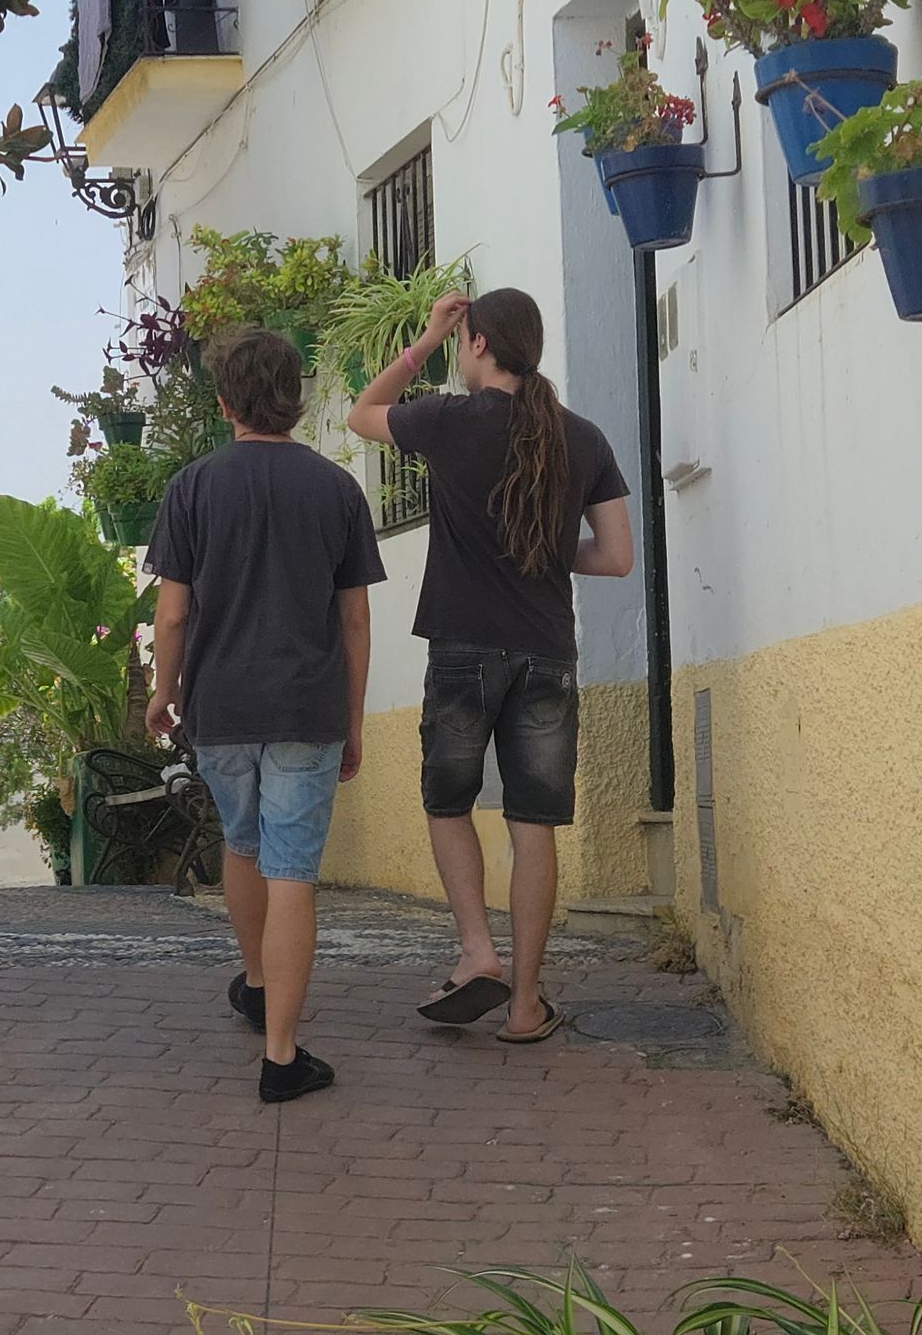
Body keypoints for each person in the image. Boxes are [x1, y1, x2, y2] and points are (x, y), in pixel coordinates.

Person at [347, 287, 634, 1044]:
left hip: (463, 645)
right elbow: (615, 557)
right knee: (532, 823)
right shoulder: (585, 438)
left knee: (448, 803)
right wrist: (542, 552)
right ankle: (527, 1004)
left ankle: (478, 952)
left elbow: (360, 413)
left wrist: (421, 341)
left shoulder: (447, 420)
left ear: (475, 343)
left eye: (461, 339)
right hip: (547, 650)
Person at [145, 328, 386, 1103]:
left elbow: (174, 613)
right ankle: (281, 1055)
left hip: (219, 707)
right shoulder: (337, 492)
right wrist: (353, 717)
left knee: (242, 850)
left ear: (223, 403)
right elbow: (354, 621)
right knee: (293, 874)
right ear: (299, 398)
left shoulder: (190, 488)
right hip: (305, 708)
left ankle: (255, 982)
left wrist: (162, 689)